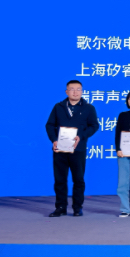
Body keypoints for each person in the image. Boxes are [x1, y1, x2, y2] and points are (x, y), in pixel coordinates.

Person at [45, 79, 99, 217]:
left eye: (78, 89)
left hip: (78, 149)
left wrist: (82, 136)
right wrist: (54, 140)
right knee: (60, 180)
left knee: (78, 180)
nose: (75, 92)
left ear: (82, 91)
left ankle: (77, 207)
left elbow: (94, 126)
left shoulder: (89, 108)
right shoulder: (58, 107)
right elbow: (49, 125)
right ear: (66, 92)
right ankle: (60, 207)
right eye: (72, 89)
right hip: (60, 149)